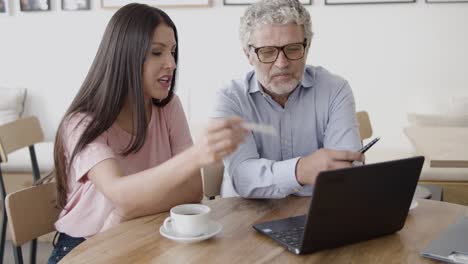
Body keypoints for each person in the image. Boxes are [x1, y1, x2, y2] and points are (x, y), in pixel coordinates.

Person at [48, 3, 247, 263]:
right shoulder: (82, 122)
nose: (172, 63)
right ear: (125, 55)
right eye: (157, 52)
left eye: (173, 52)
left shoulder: (168, 107)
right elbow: (119, 192)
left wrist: (124, 212)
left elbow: (192, 191)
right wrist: (196, 155)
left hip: (143, 232)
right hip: (84, 247)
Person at [212, 0, 364, 199]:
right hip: (245, 217)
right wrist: (301, 170)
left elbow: (344, 174)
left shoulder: (335, 90)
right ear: (249, 55)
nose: (282, 64)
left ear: (306, 48)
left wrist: (271, 177)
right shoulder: (231, 99)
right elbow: (243, 178)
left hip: (317, 213)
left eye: (292, 49)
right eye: (267, 52)